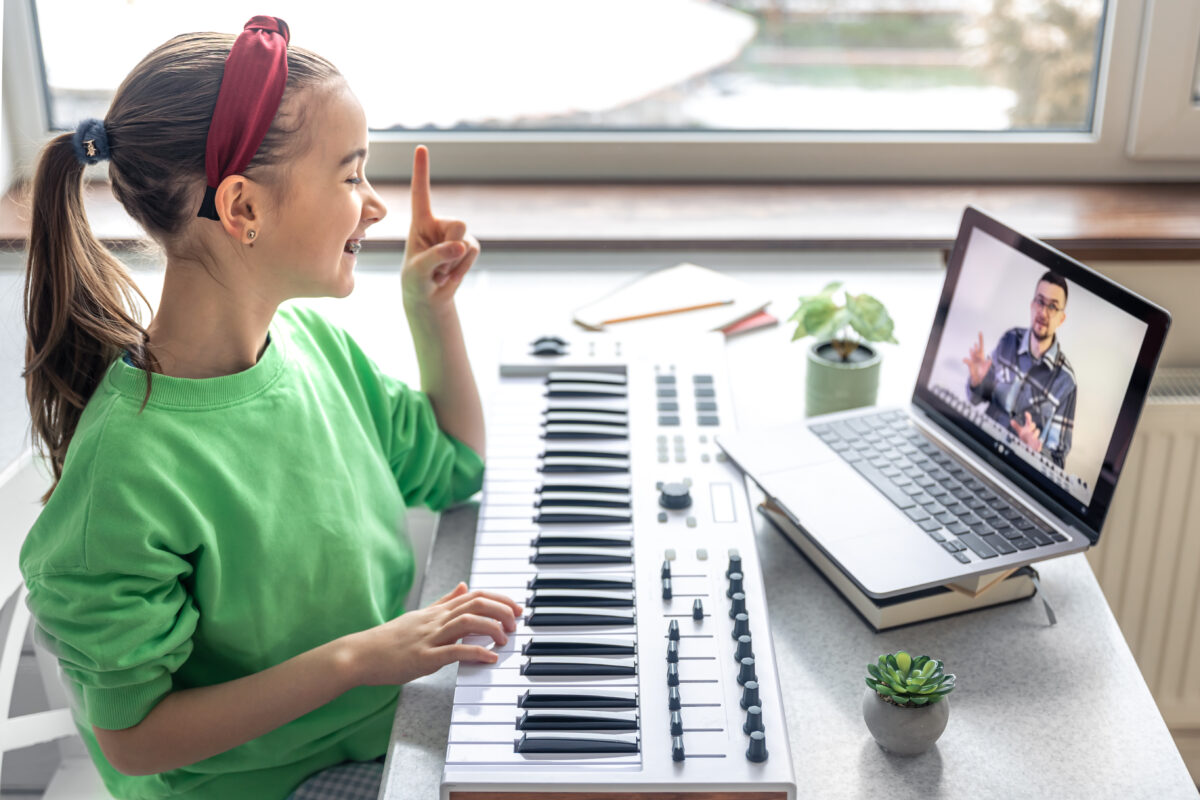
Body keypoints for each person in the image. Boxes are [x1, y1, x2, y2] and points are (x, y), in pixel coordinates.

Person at [19, 17, 521, 800]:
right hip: (274, 785)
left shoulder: (316, 349)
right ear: (243, 208)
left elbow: (456, 468)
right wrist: (363, 657)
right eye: (351, 177)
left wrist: (430, 311)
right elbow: (135, 740)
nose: (376, 208)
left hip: (387, 735)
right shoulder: (127, 468)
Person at [963, 270, 1077, 468]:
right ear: (1032, 305)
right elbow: (976, 399)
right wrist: (977, 383)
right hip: (980, 452)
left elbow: (1058, 462)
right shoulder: (1009, 339)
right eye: (1040, 302)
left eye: (1052, 306)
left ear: (1061, 318)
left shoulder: (1066, 382)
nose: (1043, 312)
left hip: (1019, 472)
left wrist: (1036, 451)